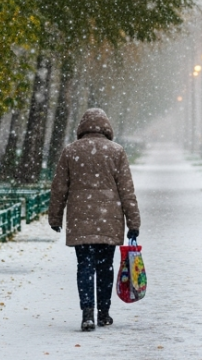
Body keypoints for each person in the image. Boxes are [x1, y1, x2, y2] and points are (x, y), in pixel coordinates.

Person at [48, 108, 141, 332]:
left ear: (82, 127)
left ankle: (87, 313)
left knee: (84, 267)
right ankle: (104, 313)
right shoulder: (116, 151)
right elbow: (127, 190)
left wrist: (55, 216)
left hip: (80, 220)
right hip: (108, 220)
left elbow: (59, 187)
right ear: (106, 127)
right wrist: (133, 222)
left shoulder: (71, 151)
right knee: (105, 267)